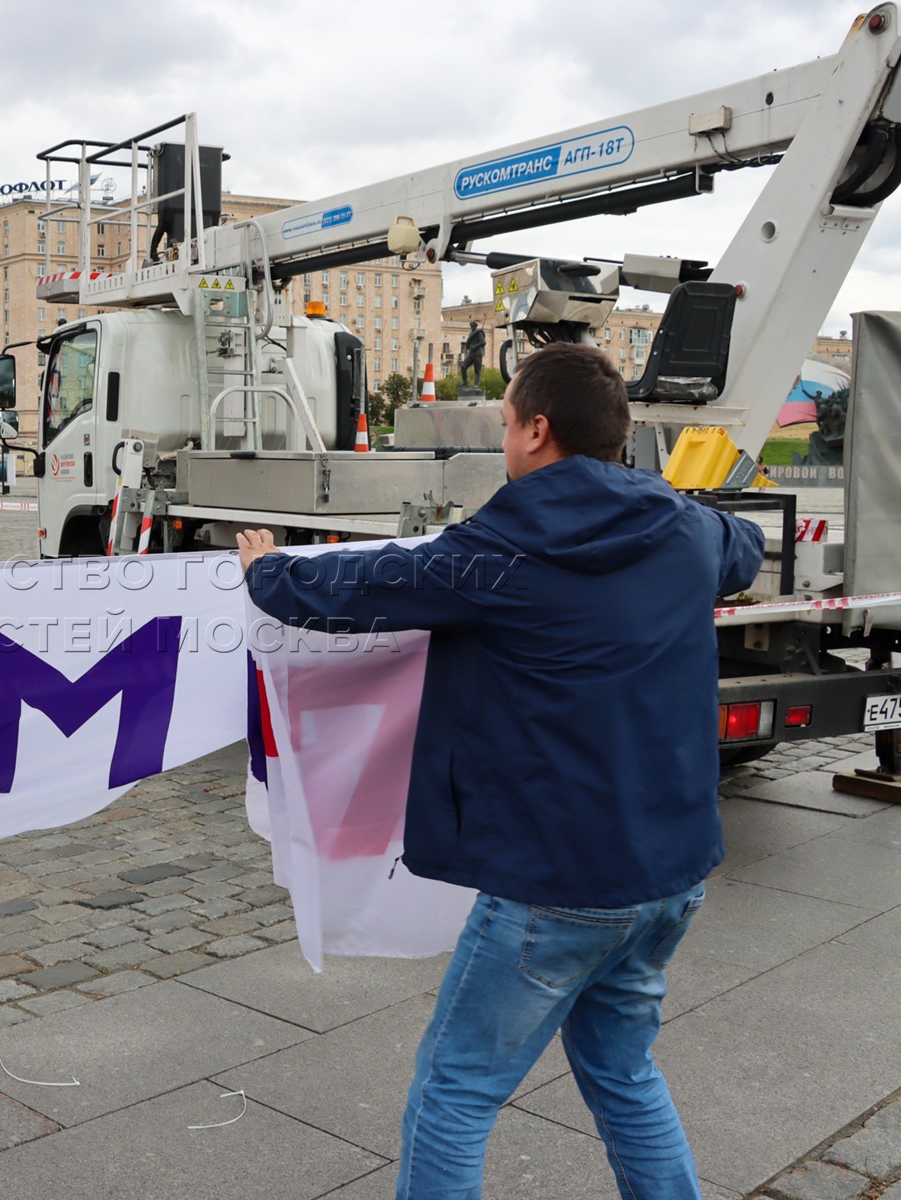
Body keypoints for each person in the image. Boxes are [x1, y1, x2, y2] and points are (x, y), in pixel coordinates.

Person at [239, 343, 763, 1199]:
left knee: (454, 1094)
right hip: (670, 871)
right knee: (624, 1075)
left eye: (509, 422)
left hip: (559, 883)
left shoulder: (504, 544)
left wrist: (267, 571)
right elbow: (741, 545)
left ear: (537, 431)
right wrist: (683, 510)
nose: (506, 440)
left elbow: (360, 586)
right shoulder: (683, 526)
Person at [460, 320, 487, 387]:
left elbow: (483, 342)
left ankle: (476, 384)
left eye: (472, 326)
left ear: (475, 326)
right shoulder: (471, 333)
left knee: (477, 371)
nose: (471, 327)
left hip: (477, 354)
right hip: (471, 354)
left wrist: (475, 346)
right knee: (463, 366)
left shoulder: (478, 333)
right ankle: (465, 382)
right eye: (470, 326)